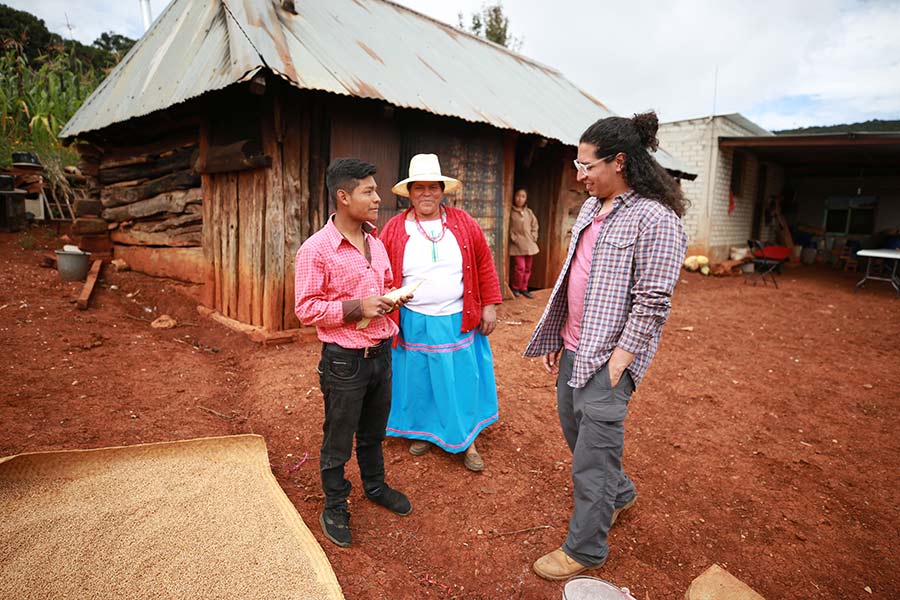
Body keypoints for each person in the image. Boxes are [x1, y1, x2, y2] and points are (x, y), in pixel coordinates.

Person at [524, 112, 688, 580]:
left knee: (593, 460)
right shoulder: (593, 208)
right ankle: (621, 494)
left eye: (587, 165)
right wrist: (559, 331)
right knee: (577, 436)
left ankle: (586, 548)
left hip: (610, 358)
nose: (580, 175)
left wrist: (622, 359)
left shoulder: (656, 219)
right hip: (576, 344)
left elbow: (654, 301)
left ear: (619, 162)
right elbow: (574, 275)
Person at [294, 157, 414, 548]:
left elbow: (385, 284)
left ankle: (375, 487)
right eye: (369, 191)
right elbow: (305, 308)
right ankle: (334, 505)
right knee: (338, 437)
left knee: (373, 432)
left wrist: (392, 298)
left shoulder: (376, 244)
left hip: (381, 354)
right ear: (343, 197)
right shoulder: (316, 250)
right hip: (344, 361)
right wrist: (356, 308)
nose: (379, 198)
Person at [379, 153, 502, 472]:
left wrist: (488, 304)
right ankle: (426, 432)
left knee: (460, 378)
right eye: (419, 188)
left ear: (442, 190)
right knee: (420, 378)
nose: (426, 194)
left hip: (457, 318)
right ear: (410, 192)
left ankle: (467, 438)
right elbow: (380, 271)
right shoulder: (394, 228)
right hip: (413, 321)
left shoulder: (463, 223)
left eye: (432, 187)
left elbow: (485, 263)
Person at [509, 188, 540, 298]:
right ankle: (515, 287)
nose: (520, 198)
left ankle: (524, 288)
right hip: (517, 246)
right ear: (514, 197)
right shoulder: (511, 212)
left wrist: (534, 236)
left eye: (523, 196)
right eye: (518, 195)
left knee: (527, 268)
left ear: (526, 199)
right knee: (520, 268)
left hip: (529, 244)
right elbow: (509, 228)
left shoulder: (529, 212)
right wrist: (514, 238)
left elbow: (535, 225)